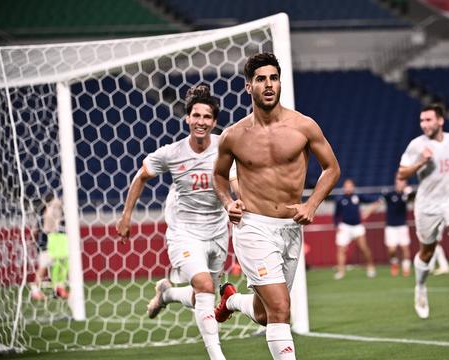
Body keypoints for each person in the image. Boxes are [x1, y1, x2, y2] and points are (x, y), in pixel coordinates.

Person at [212, 52, 340, 360]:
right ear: (248, 86)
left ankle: (231, 301)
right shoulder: (233, 136)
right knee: (281, 308)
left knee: (265, 313)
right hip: (253, 227)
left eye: (273, 78)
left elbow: (332, 169)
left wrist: (311, 204)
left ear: (280, 82)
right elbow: (218, 175)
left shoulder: (304, 126)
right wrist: (228, 202)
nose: (268, 85)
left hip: (290, 229)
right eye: (261, 79)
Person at [116, 84, 234, 360]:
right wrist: (126, 216)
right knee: (205, 286)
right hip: (184, 232)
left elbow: (239, 176)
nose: (201, 122)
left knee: (200, 298)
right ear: (187, 118)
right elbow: (141, 177)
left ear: (214, 122)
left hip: (218, 231)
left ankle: (166, 294)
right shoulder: (172, 153)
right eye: (196, 116)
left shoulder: (225, 145)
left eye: (207, 117)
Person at [397, 103, 449, 319]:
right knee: (427, 251)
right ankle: (420, 287)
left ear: (440, 121)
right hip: (427, 205)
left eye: (428, 120)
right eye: (422, 120)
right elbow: (402, 174)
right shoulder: (416, 145)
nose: (424, 124)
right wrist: (421, 161)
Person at [368, 175, 414, 277]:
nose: (400, 183)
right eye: (398, 181)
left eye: (402, 181)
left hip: (402, 226)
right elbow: (379, 203)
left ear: (405, 183)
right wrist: (368, 211)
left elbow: (413, 199)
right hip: (391, 226)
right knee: (391, 250)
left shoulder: (406, 195)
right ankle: (394, 264)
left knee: (405, 248)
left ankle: (406, 268)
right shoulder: (389, 194)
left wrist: (408, 193)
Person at [333, 178, 376, 280]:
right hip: (344, 226)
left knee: (364, 248)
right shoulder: (339, 199)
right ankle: (341, 272)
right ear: (344, 188)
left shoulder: (358, 197)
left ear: (353, 187)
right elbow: (336, 215)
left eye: (350, 186)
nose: (348, 188)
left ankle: (370, 267)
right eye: (346, 186)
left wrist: (370, 209)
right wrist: (337, 226)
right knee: (341, 250)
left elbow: (372, 200)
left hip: (357, 226)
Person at [30, 193, 70, 301]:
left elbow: (34, 231)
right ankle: (35, 291)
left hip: (54, 244)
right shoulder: (46, 214)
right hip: (46, 245)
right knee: (43, 267)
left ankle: (57, 290)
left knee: (56, 267)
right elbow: (35, 230)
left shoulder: (54, 214)